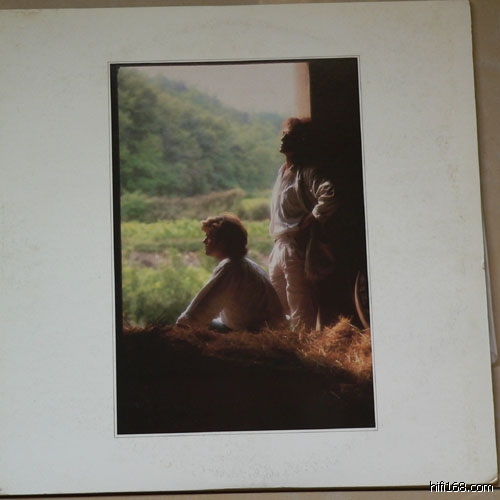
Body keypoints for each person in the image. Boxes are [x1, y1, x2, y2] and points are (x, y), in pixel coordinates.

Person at [269, 117, 337, 331]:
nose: (283, 139)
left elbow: (330, 193)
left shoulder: (307, 172)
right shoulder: (283, 171)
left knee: (301, 310)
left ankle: (303, 348)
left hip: (296, 246)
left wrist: (314, 216)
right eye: (283, 134)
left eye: (290, 136)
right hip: (279, 245)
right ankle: (284, 347)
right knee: (276, 308)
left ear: (301, 141)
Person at [176, 214, 285, 332]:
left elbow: (197, 314)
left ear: (222, 242)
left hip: (250, 334)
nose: (204, 241)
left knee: (192, 325)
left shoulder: (231, 267)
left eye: (209, 237)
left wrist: (180, 327)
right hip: (269, 332)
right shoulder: (247, 265)